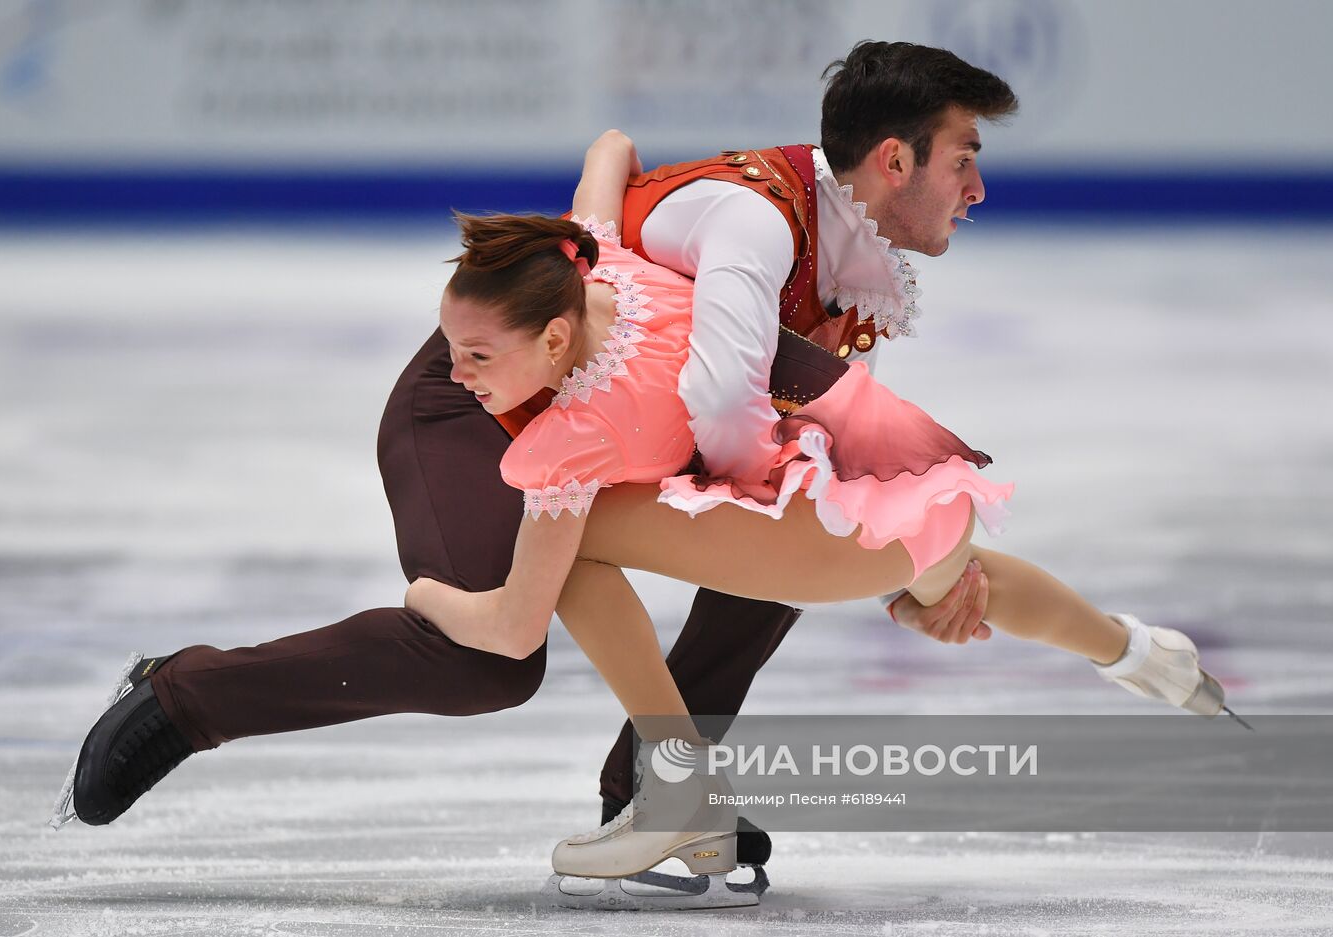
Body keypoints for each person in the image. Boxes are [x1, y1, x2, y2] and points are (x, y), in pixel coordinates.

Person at [55, 42, 1054, 876]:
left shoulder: (845, 271)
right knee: (487, 659)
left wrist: (906, 555)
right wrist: (908, 555)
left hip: (605, 418)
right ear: (891, 161)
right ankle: (185, 695)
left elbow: (617, 166)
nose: (976, 186)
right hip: (475, 409)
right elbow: (722, 402)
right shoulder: (755, 221)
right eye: (962, 158)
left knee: (780, 550)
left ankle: (659, 783)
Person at [403, 196, 1228, 891]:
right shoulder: (616, 269)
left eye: (477, 354)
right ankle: (1142, 653)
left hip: (841, 534)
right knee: (972, 578)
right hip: (913, 473)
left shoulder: (566, 444)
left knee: (568, 549)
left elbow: (515, 628)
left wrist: (427, 596)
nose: (458, 374)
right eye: (452, 351)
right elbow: (609, 150)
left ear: (554, 338)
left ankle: (683, 790)